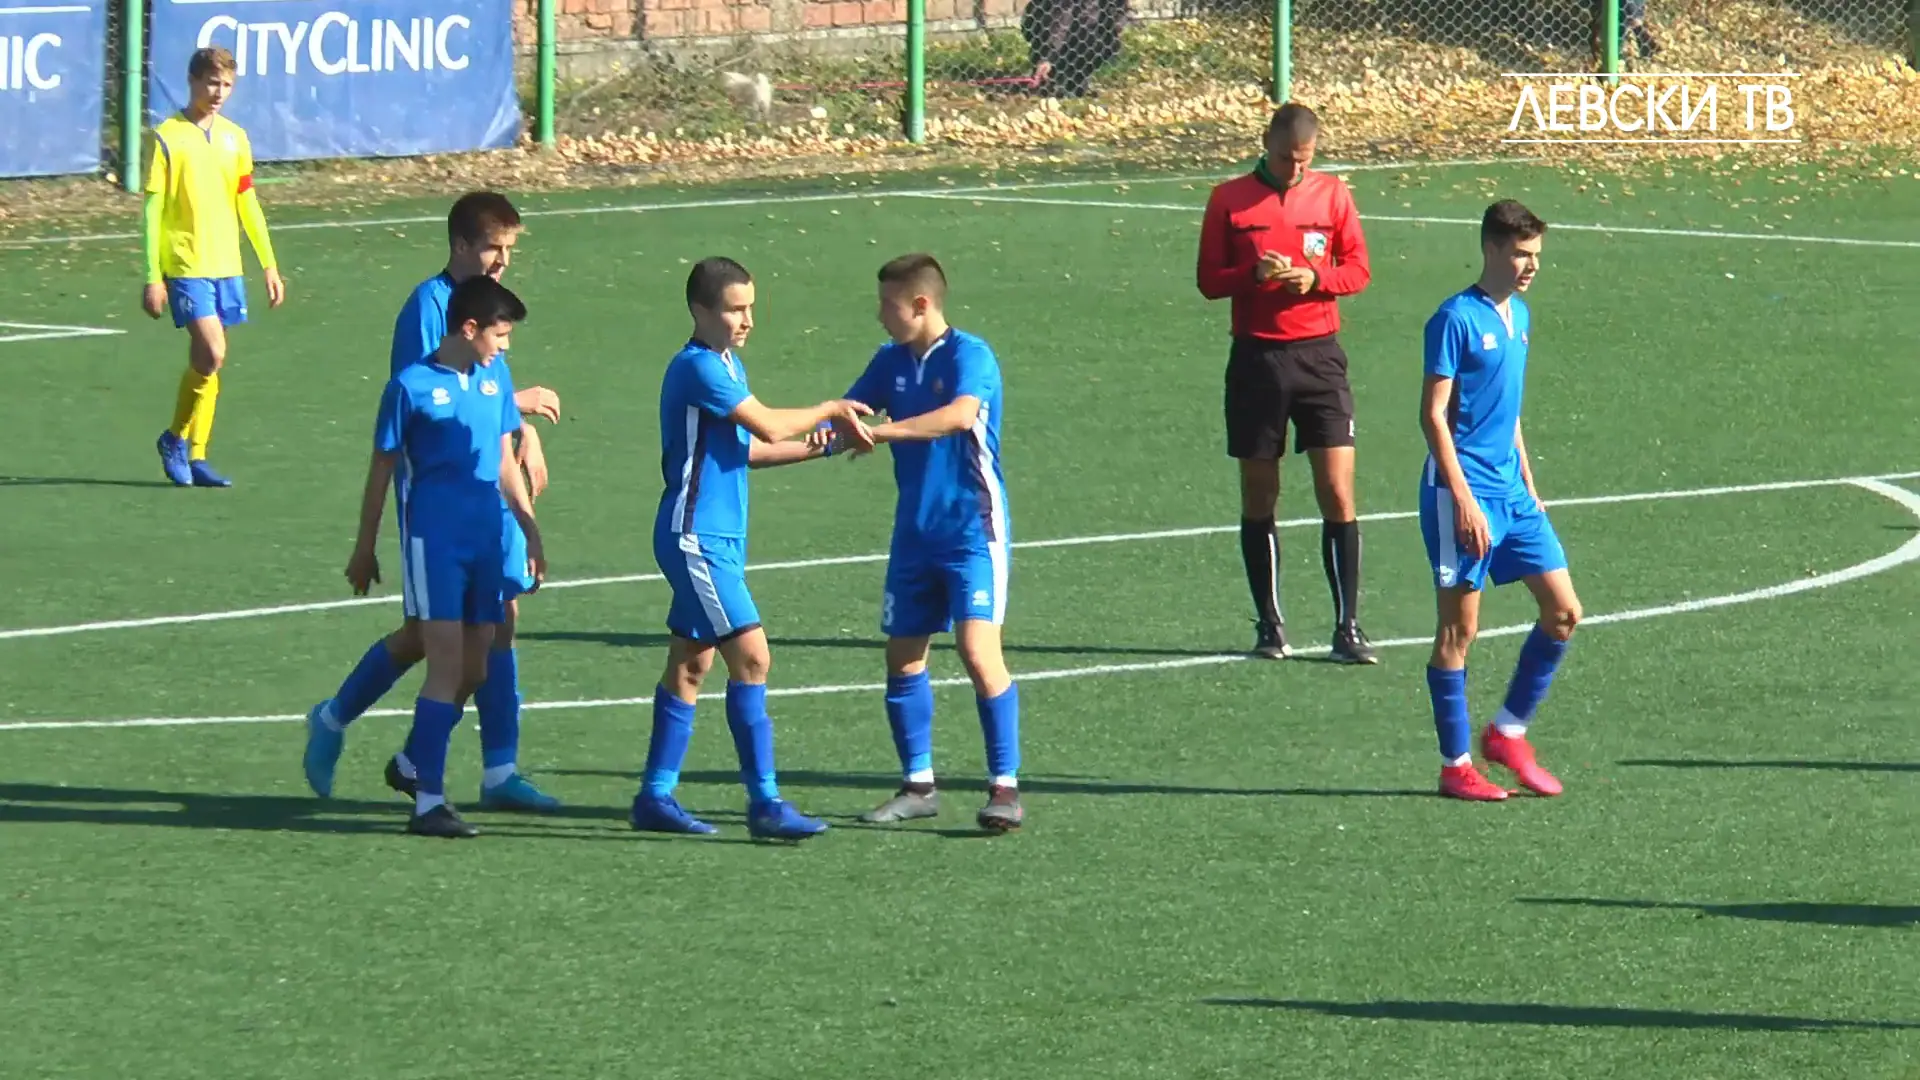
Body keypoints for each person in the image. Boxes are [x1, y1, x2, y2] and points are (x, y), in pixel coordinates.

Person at [302, 193, 563, 813]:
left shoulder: (489, 308)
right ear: (461, 246)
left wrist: (522, 435)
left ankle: (495, 770)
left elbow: (488, 390)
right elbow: (430, 396)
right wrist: (521, 404)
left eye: (509, 249)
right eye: (494, 248)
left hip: (487, 494)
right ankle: (339, 719)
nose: (503, 260)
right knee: (429, 636)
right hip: (435, 503)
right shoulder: (429, 306)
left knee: (499, 620)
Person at [628, 256, 876, 841]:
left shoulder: (725, 365)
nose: (747, 320)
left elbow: (750, 451)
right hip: (697, 537)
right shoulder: (697, 367)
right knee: (754, 658)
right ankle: (765, 803)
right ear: (699, 310)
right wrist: (830, 407)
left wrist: (828, 445)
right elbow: (768, 425)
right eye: (735, 309)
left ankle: (654, 796)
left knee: (692, 664)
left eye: (751, 308)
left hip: (715, 538)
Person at [345, 276, 546, 838]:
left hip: (486, 541)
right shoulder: (409, 388)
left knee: (477, 668)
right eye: (500, 335)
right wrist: (365, 546)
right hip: (435, 544)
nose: (505, 346)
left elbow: (504, 461)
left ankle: (411, 765)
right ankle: (428, 803)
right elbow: (381, 471)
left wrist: (529, 529)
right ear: (470, 328)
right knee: (447, 666)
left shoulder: (494, 379)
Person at [838, 254, 1024, 833]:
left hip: (972, 531)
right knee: (903, 656)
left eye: (888, 304)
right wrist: (771, 440)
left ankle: (1005, 788)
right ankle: (918, 786)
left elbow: (959, 417)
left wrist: (881, 432)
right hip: (914, 535)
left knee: (977, 652)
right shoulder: (889, 361)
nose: (880, 315)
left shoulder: (971, 355)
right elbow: (847, 415)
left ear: (921, 304)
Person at [1196, 102, 1375, 664]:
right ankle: (1270, 625)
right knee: (1259, 493)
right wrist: (1253, 274)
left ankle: (1347, 627)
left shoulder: (1333, 195)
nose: (1295, 168)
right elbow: (1208, 280)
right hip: (1258, 360)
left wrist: (1315, 278)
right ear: (1265, 144)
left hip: (1320, 359)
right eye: (1285, 158)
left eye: (1304, 159)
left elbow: (1358, 270)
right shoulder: (1228, 199)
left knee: (1338, 492)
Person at [1418, 200, 1583, 802]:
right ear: (1490, 249)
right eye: (1520, 254)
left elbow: (1506, 409)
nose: (1531, 265)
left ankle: (1507, 732)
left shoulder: (1521, 315)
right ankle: (1455, 765)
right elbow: (1433, 416)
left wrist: (1530, 483)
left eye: (1536, 254)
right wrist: (1463, 499)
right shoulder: (1454, 319)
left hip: (1513, 493)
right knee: (1459, 632)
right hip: (1462, 492)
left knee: (1564, 613)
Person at [142, 46, 286, 488]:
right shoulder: (166, 138)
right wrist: (153, 275)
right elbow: (152, 210)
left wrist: (268, 264)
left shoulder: (235, 138)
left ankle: (197, 452)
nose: (219, 92)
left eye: (226, 84)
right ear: (192, 81)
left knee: (207, 362)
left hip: (226, 264)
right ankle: (173, 439)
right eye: (211, 82)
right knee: (214, 350)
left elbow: (247, 202)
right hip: (186, 263)